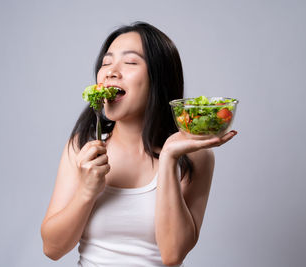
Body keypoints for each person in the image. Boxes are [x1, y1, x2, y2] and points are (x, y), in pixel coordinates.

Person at [41, 21, 237, 267]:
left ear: (159, 78)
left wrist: (168, 158)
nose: (111, 71)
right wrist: (86, 191)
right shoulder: (82, 146)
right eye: (106, 63)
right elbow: (52, 248)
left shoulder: (196, 156)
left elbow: (172, 255)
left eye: (131, 62)